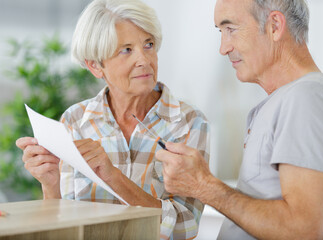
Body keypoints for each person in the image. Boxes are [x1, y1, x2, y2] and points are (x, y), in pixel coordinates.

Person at [156, 0, 323, 239]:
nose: (223, 48)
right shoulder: (286, 100)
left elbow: (303, 231)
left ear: (274, 26)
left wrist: (203, 185)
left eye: (231, 30)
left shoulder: (307, 99)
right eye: (220, 32)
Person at [15, 0, 210, 239]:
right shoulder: (75, 120)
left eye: (148, 45)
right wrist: (50, 184)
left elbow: (185, 227)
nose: (144, 60)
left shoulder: (188, 122)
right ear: (96, 66)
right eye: (126, 50)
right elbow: (64, 227)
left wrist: (112, 175)